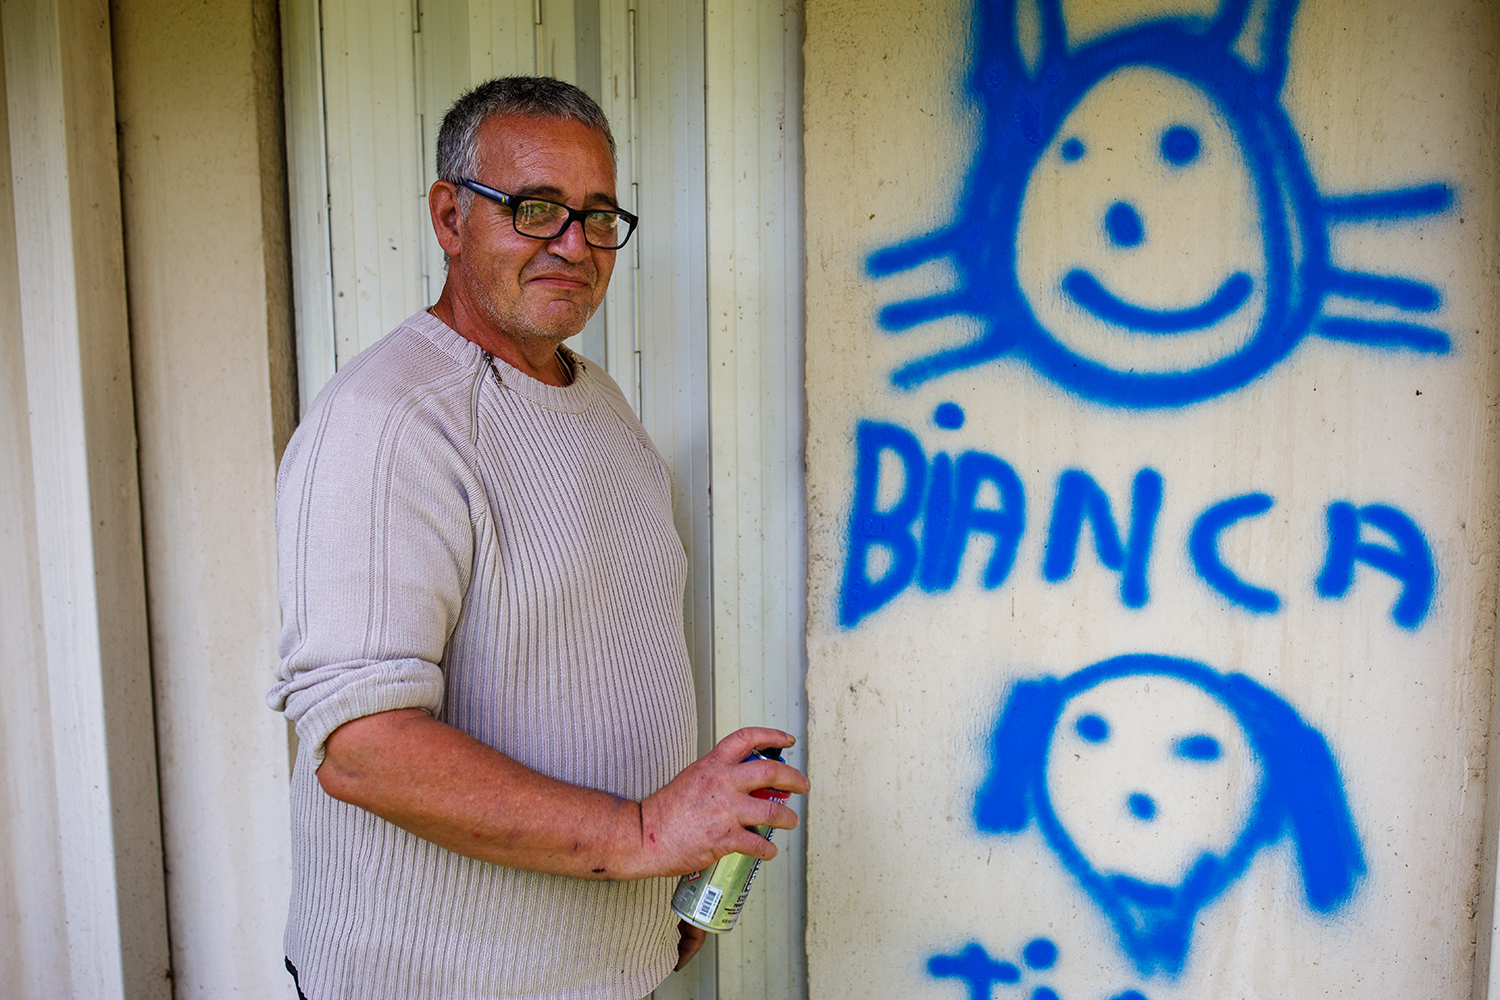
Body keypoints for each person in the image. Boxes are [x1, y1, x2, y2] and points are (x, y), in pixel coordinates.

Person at [267, 76, 808, 1000]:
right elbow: (364, 747)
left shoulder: (597, 401)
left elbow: (598, 666)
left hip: (597, 969)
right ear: (450, 216)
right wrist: (643, 834)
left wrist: (656, 890)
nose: (573, 244)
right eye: (535, 208)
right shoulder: (390, 423)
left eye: (598, 216)